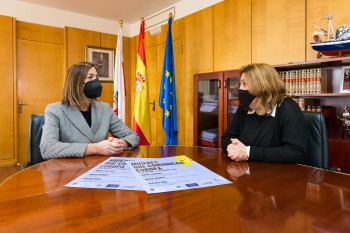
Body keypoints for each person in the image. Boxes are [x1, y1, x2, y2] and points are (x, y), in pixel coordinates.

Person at [40, 62, 140, 159]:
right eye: (90, 77)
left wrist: (121, 144)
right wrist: (94, 148)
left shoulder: (104, 108)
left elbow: (133, 136)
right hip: (69, 170)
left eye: (97, 77)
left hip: (100, 168)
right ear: (76, 83)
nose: (96, 81)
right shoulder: (55, 110)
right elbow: (47, 148)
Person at [221, 63, 307, 164]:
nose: (239, 89)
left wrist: (248, 152)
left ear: (262, 86)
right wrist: (233, 148)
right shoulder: (245, 108)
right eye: (240, 84)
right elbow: (227, 137)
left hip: (279, 175)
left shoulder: (287, 107)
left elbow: (296, 153)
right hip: (247, 171)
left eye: (244, 84)